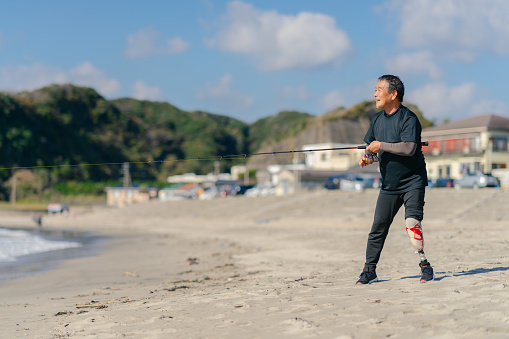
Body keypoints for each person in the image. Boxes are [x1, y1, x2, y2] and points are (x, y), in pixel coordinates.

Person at [356, 74, 434, 285]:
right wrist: (368, 156)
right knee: (378, 228)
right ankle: (369, 270)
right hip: (389, 185)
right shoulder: (376, 120)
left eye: (379, 89)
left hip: (413, 181)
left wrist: (380, 145)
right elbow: (372, 149)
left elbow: (409, 148)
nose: (375, 94)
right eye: (375, 89)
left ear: (393, 94)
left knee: (411, 222)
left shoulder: (409, 118)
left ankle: (425, 265)